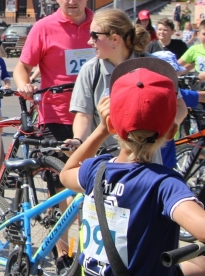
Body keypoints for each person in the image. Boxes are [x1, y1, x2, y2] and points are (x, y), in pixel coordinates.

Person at [59, 58, 205, 276]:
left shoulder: (97, 168)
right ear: (171, 132)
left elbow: (67, 172)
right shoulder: (164, 184)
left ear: (114, 124)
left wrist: (101, 130)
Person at [70, 9, 187, 169]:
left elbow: (180, 108)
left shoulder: (154, 66)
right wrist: (78, 140)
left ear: (115, 39)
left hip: (147, 164)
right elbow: (84, 115)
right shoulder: (90, 70)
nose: (89, 41)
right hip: (105, 164)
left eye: (94, 36)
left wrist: (156, 133)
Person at [13, 0, 95, 143]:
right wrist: (24, 85)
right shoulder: (43, 27)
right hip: (57, 115)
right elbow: (22, 68)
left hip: (96, 113)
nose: (72, 2)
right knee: (59, 168)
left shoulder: (100, 24)